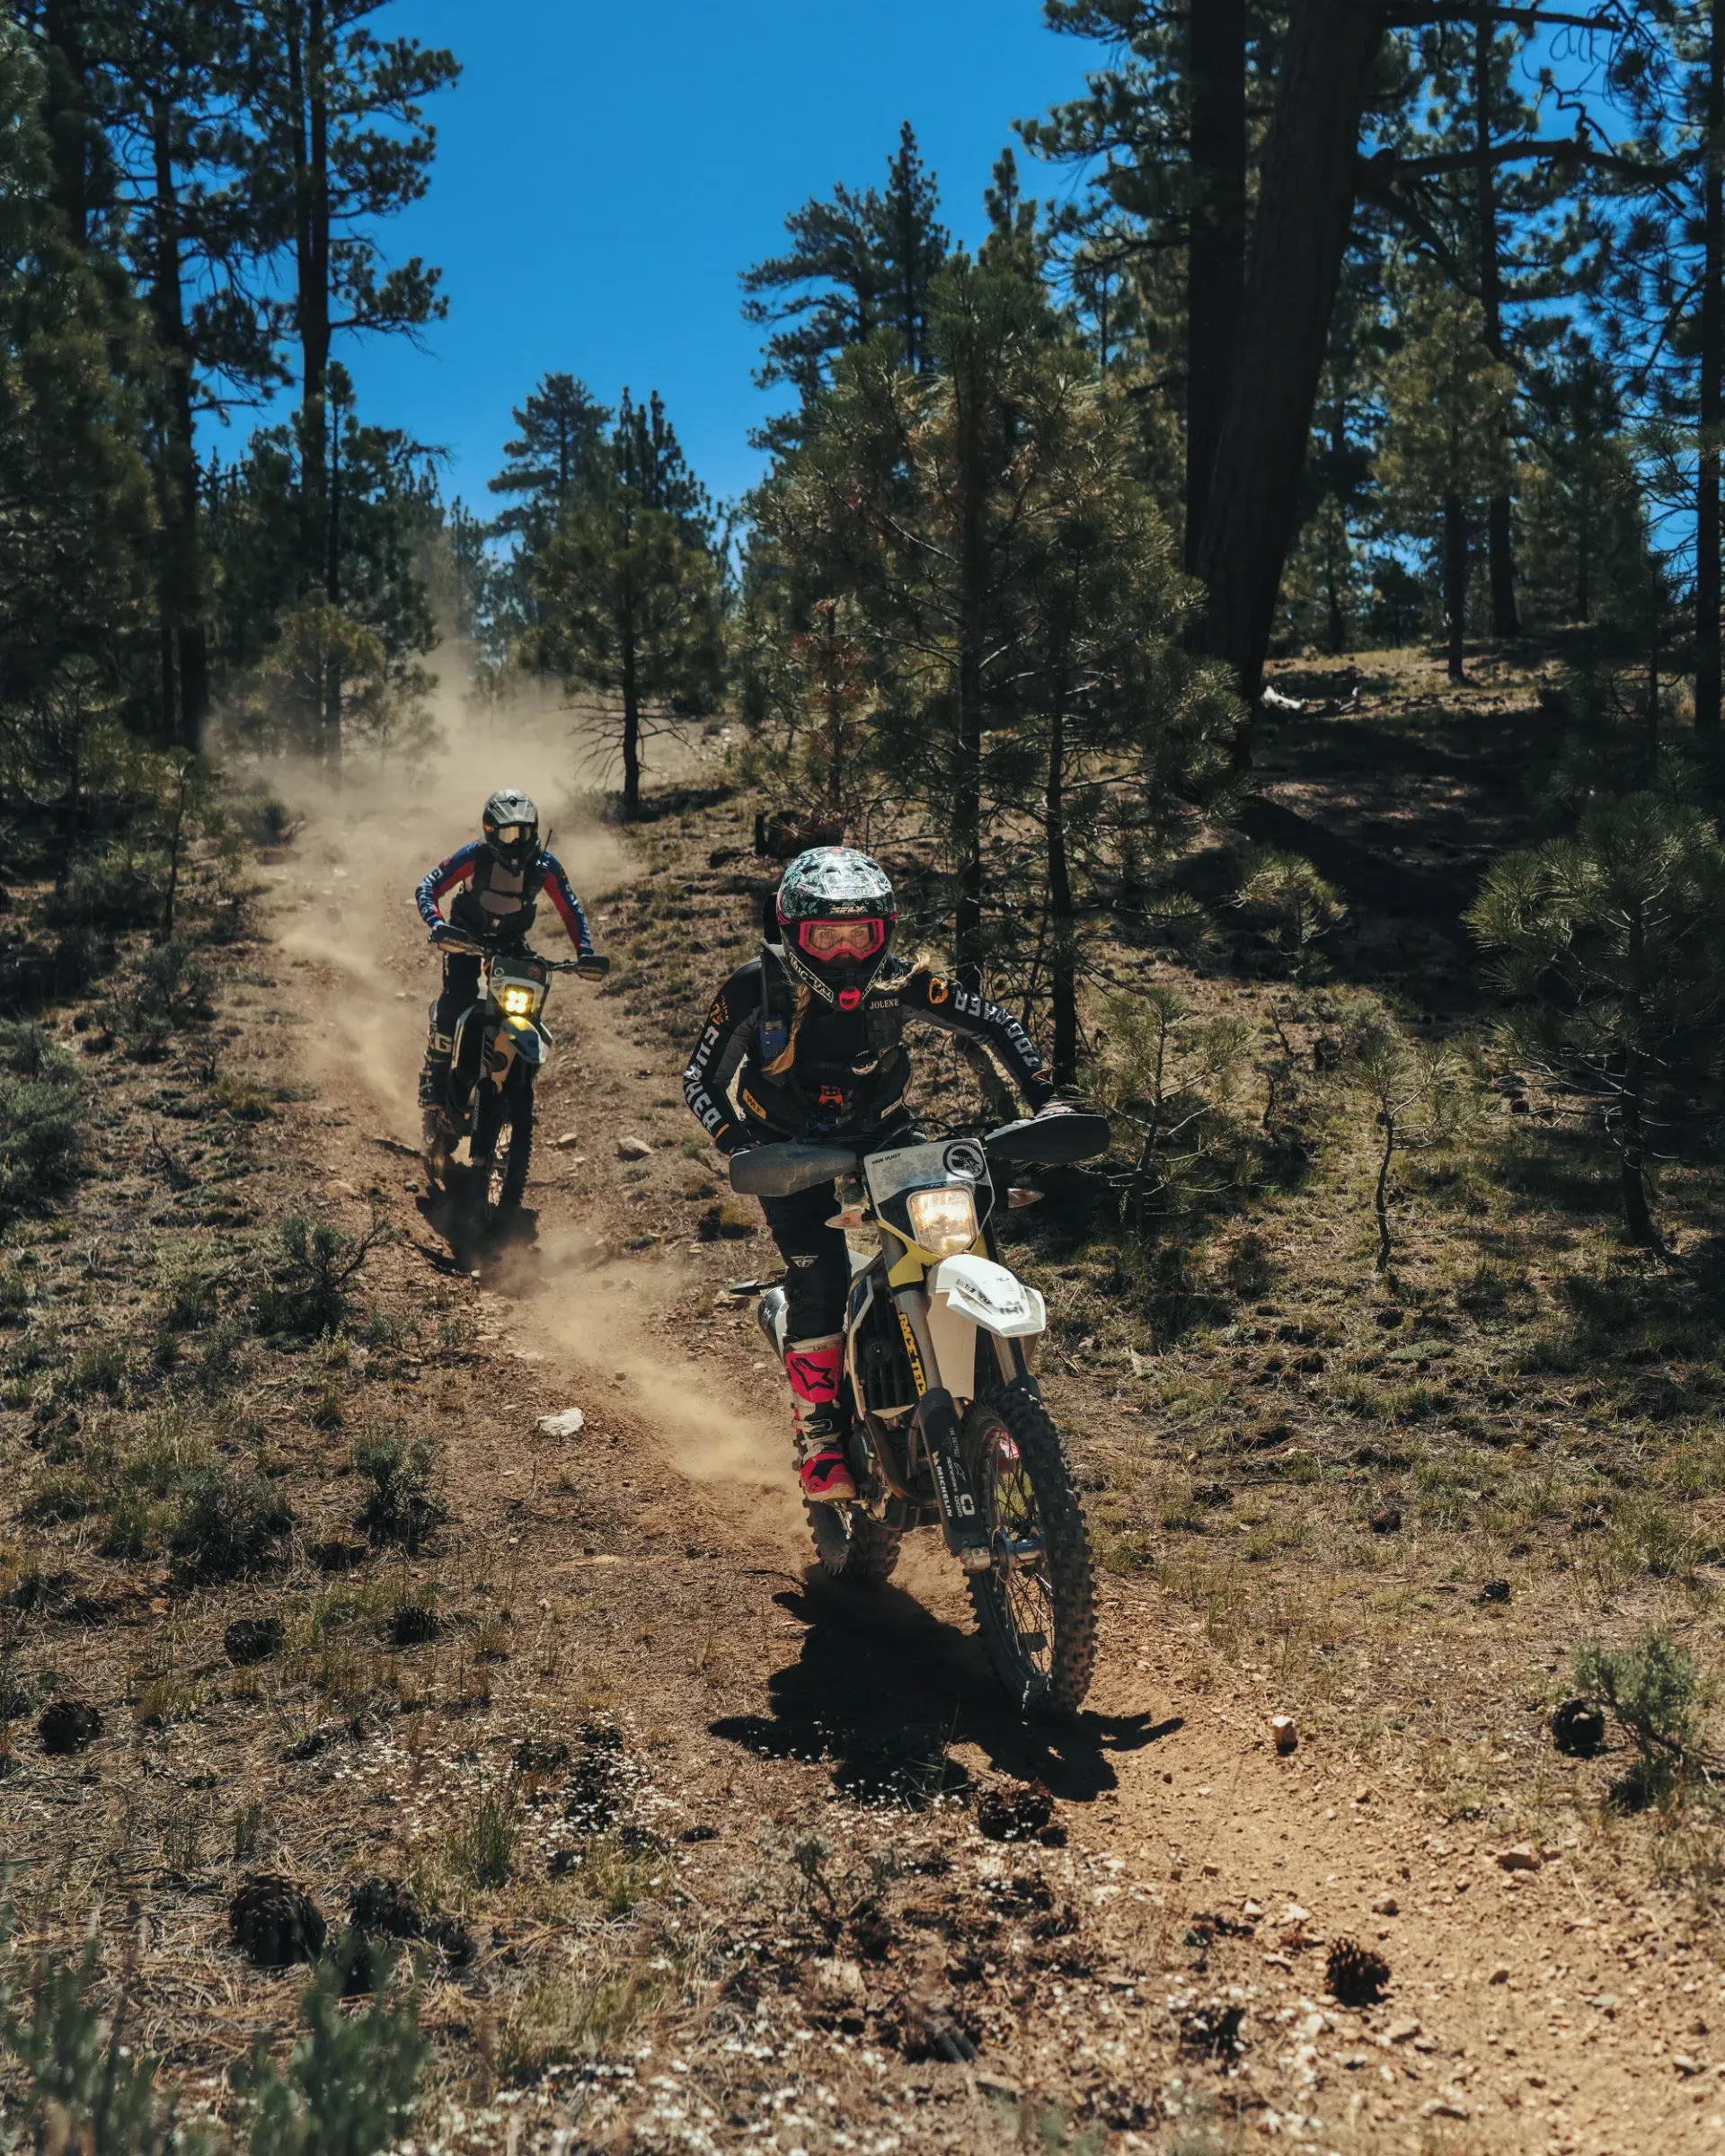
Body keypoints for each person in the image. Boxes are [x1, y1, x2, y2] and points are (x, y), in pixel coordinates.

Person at [683, 845, 1058, 1505]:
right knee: (820, 1275)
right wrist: (739, 1144)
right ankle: (822, 1438)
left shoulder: (904, 983)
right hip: (786, 1147)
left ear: (884, 932)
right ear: (793, 934)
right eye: (826, 937)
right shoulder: (755, 987)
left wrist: (1049, 1097)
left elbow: (994, 1023)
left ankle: (990, 1396)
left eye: (861, 934)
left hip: (884, 1132)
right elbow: (701, 1077)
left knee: (958, 1235)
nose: (846, 953)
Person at [414, 790, 596, 1135]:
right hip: (466, 938)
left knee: (528, 1010)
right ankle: (435, 1082)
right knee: (456, 1002)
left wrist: (584, 950)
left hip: (512, 943)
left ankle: (517, 1085)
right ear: (489, 831)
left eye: (523, 834)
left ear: (535, 831)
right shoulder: (475, 856)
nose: (516, 844)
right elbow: (429, 886)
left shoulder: (545, 866)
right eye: (508, 834)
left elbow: (570, 908)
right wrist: (438, 925)